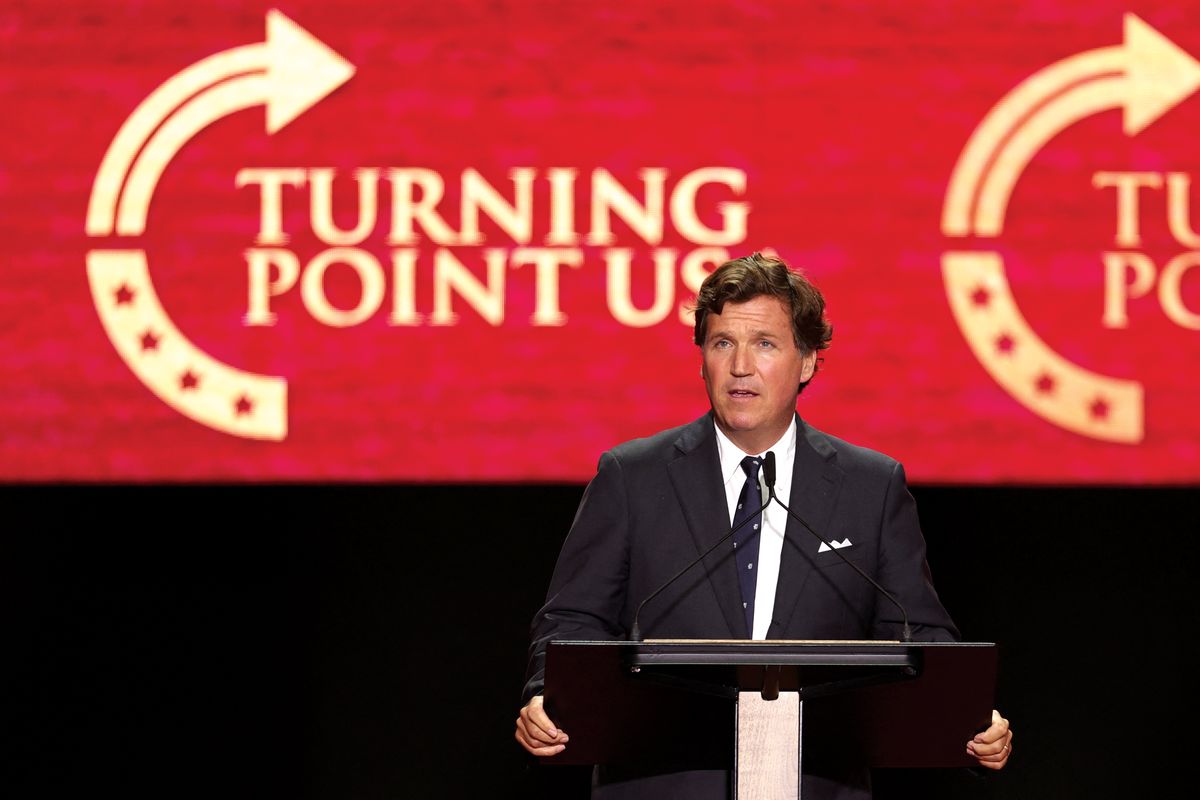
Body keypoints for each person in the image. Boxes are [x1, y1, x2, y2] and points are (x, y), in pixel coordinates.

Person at [515, 252, 1012, 798]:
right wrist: (545, 695)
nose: (740, 366)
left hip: (816, 783)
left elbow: (919, 636)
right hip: (662, 782)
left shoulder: (871, 487)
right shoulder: (631, 477)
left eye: (765, 344)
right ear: (702, 359)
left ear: (807, 362)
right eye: (722, 343)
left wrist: (970, 721)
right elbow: (572, 620)